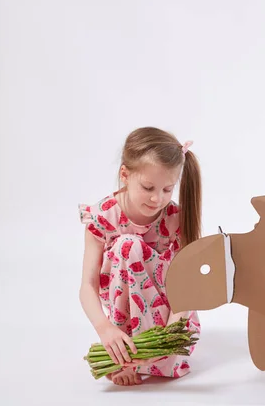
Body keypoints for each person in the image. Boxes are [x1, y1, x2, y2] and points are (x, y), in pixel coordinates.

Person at [78, 127, 202, 386]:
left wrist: (169, 335)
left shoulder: (175, 218)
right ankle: (124, 351)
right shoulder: (103, 217)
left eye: (168, 189)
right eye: (148, 187)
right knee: (127, 246)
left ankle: (147, 354)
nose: (158, 199)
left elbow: (187, 285)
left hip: (168, 321)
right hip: (124, 322)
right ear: (125, 175)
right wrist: (105, 329)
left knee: (130, 246)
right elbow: (88, 285)